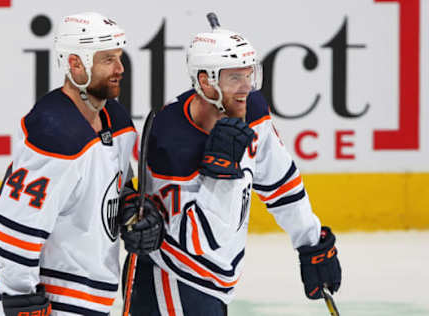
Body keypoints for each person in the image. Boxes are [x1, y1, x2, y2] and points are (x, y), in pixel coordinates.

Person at [127, 20, 342, 315]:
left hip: (218, 279)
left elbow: (280, 181)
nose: (246, 88)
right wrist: (221, 175)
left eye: (249, 75)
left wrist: (309, 240)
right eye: (234, 78)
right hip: (173, 277)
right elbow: (198, 241)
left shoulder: (251, 109)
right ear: (205, 82)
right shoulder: (170, 138)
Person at [0, 12, 164, 316]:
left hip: (84, 292)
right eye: (107, 60)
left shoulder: (118, 123)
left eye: (120, 57)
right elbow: (16, 227)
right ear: (75, 63)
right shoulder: (55, 133)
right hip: (44, 296)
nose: (120, 69)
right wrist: (21, 298)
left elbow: (112, 187)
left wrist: (129, 209)